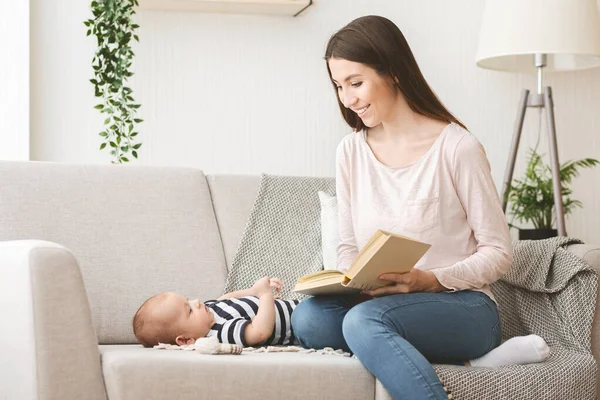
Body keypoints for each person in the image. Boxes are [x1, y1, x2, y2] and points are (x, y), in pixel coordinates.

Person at [290, 15, 549, 400]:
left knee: (364, 322)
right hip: (384, 304)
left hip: (463, 306)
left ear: (392, 71)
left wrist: (428, 280)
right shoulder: (350, 152)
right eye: (339, 86)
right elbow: (347, 244)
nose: (348, 99)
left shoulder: (457, 148)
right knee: (308, 318)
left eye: (356, 83)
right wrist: (353, 279)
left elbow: (498, 253)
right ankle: (465, 362)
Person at [133, 277, 299, 348]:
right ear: (186, 340)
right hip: (299, 325)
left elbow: (228, 297)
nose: (196, 302)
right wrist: (265, 296)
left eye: (188, 299)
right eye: (189, 310)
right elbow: (260, 332)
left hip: (296, 305)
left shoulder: (209, 310)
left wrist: (254, 290)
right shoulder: (219, 333)